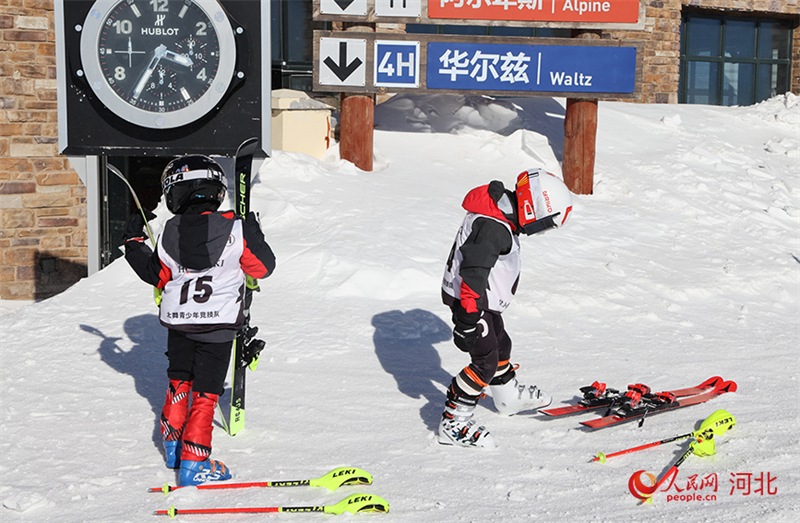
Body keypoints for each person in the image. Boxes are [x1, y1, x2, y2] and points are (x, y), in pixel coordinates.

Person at [122, 155, 276, 484]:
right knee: (206, 394)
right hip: (218, 327)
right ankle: (194, 463)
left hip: (180, 324)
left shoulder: (168, 232)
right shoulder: (236, 228)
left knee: (180, 383)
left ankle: (174, 447)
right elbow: (262, 268)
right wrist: (253, 232)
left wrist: (133, 240)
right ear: (216, 190)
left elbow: (156, 274)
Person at [439, 168, 574, 448]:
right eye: (543, 223)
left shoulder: (501, 220)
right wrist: (467, 320)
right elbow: (474, 272)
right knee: (484, 362)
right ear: (532, 207)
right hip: (473, 303)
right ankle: (454, 421)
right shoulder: (493, 228)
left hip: (482, 302)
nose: (540, 231)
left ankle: (507, 396)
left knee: (501, 344)